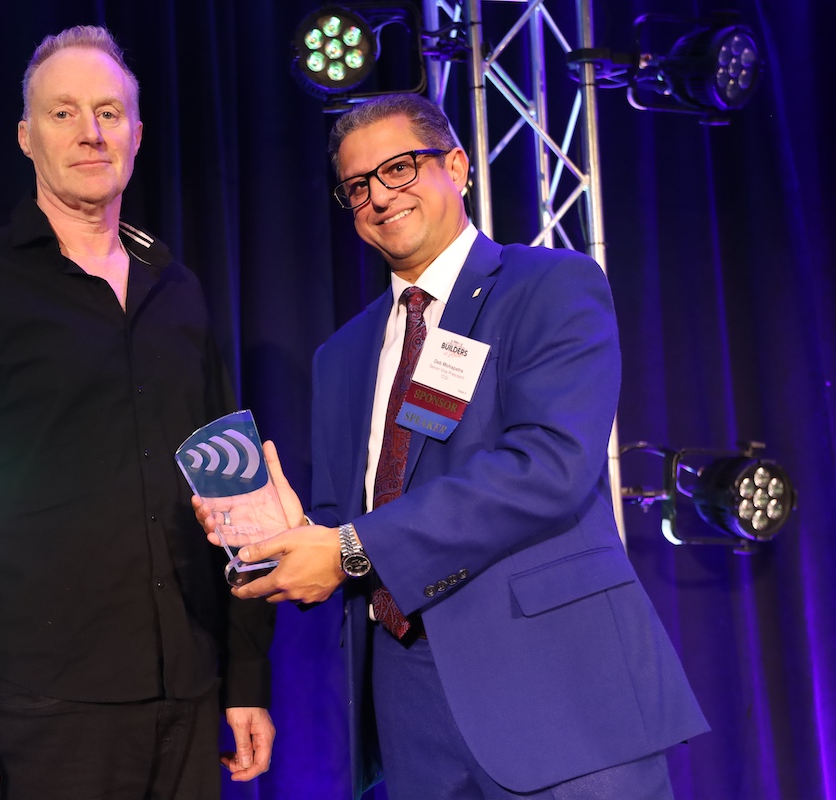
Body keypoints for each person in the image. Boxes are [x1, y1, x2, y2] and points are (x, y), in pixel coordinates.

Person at [196, 92, 708, 799]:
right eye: (358, 186)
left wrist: (349, 547)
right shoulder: (340, 356)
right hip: (411, 715)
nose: (380, 196)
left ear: (458, 167)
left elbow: (549, 466)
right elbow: (350, 523)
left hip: (560, 693)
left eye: (401, 167)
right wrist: (289, 538)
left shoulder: (550, 285)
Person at [0, 25, 275, 800]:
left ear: (136, 134)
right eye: (63, 113)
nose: (90, 132)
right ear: (27, 137)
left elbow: (235, 497)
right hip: (43, 710)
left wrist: (245, 678)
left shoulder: (180, 290)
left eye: (108, 111)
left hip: (188, 698)